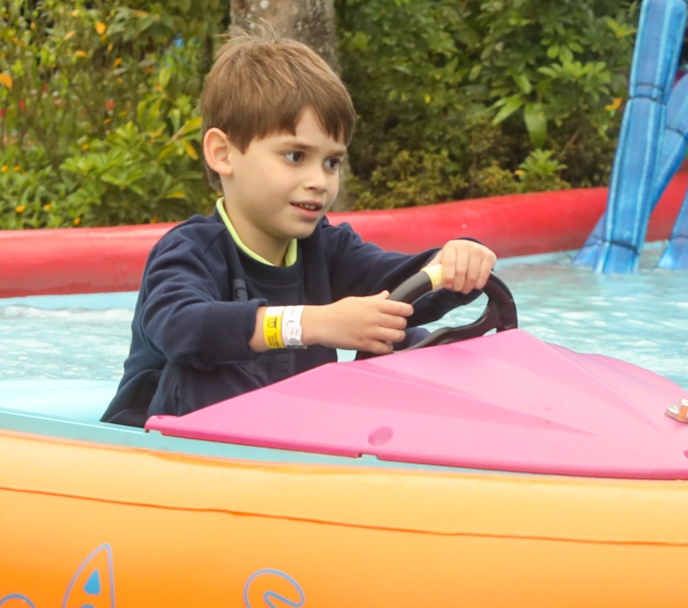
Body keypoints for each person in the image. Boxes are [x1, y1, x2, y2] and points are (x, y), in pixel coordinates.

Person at [102, 36, 497, 425]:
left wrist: (458, 260)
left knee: (410, 343)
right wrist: (314, 323)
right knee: (205, 362)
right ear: (223, 153)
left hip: (287, 434)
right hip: (160, 450)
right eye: (295, 156)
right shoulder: (190, 251)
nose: (319, 181)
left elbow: (404, 287)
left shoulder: (325, 248)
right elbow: (182, 327)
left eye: (331, 163)